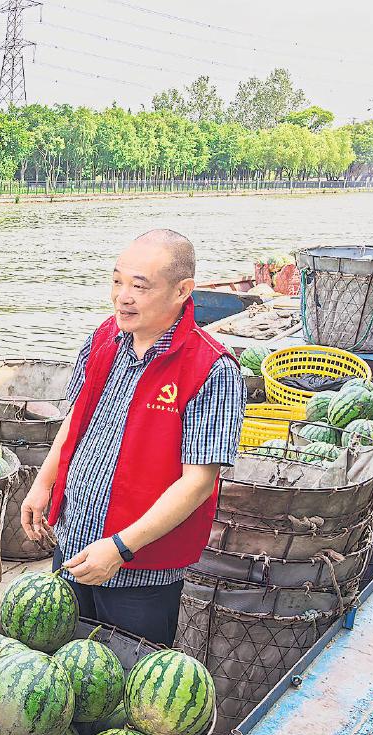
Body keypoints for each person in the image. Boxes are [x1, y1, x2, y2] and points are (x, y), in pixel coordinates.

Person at [20, 229, 246, 646]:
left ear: (182, 291)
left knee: (128, 675)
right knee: (62, 663)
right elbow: (75, 421)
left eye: (139, 287)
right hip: (73, 546)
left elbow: (197, 482)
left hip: (141, 571)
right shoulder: (103, 338)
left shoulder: (211, 369)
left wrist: (120, 548)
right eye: (117, 281)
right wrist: (43, 484)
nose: (123, 297)